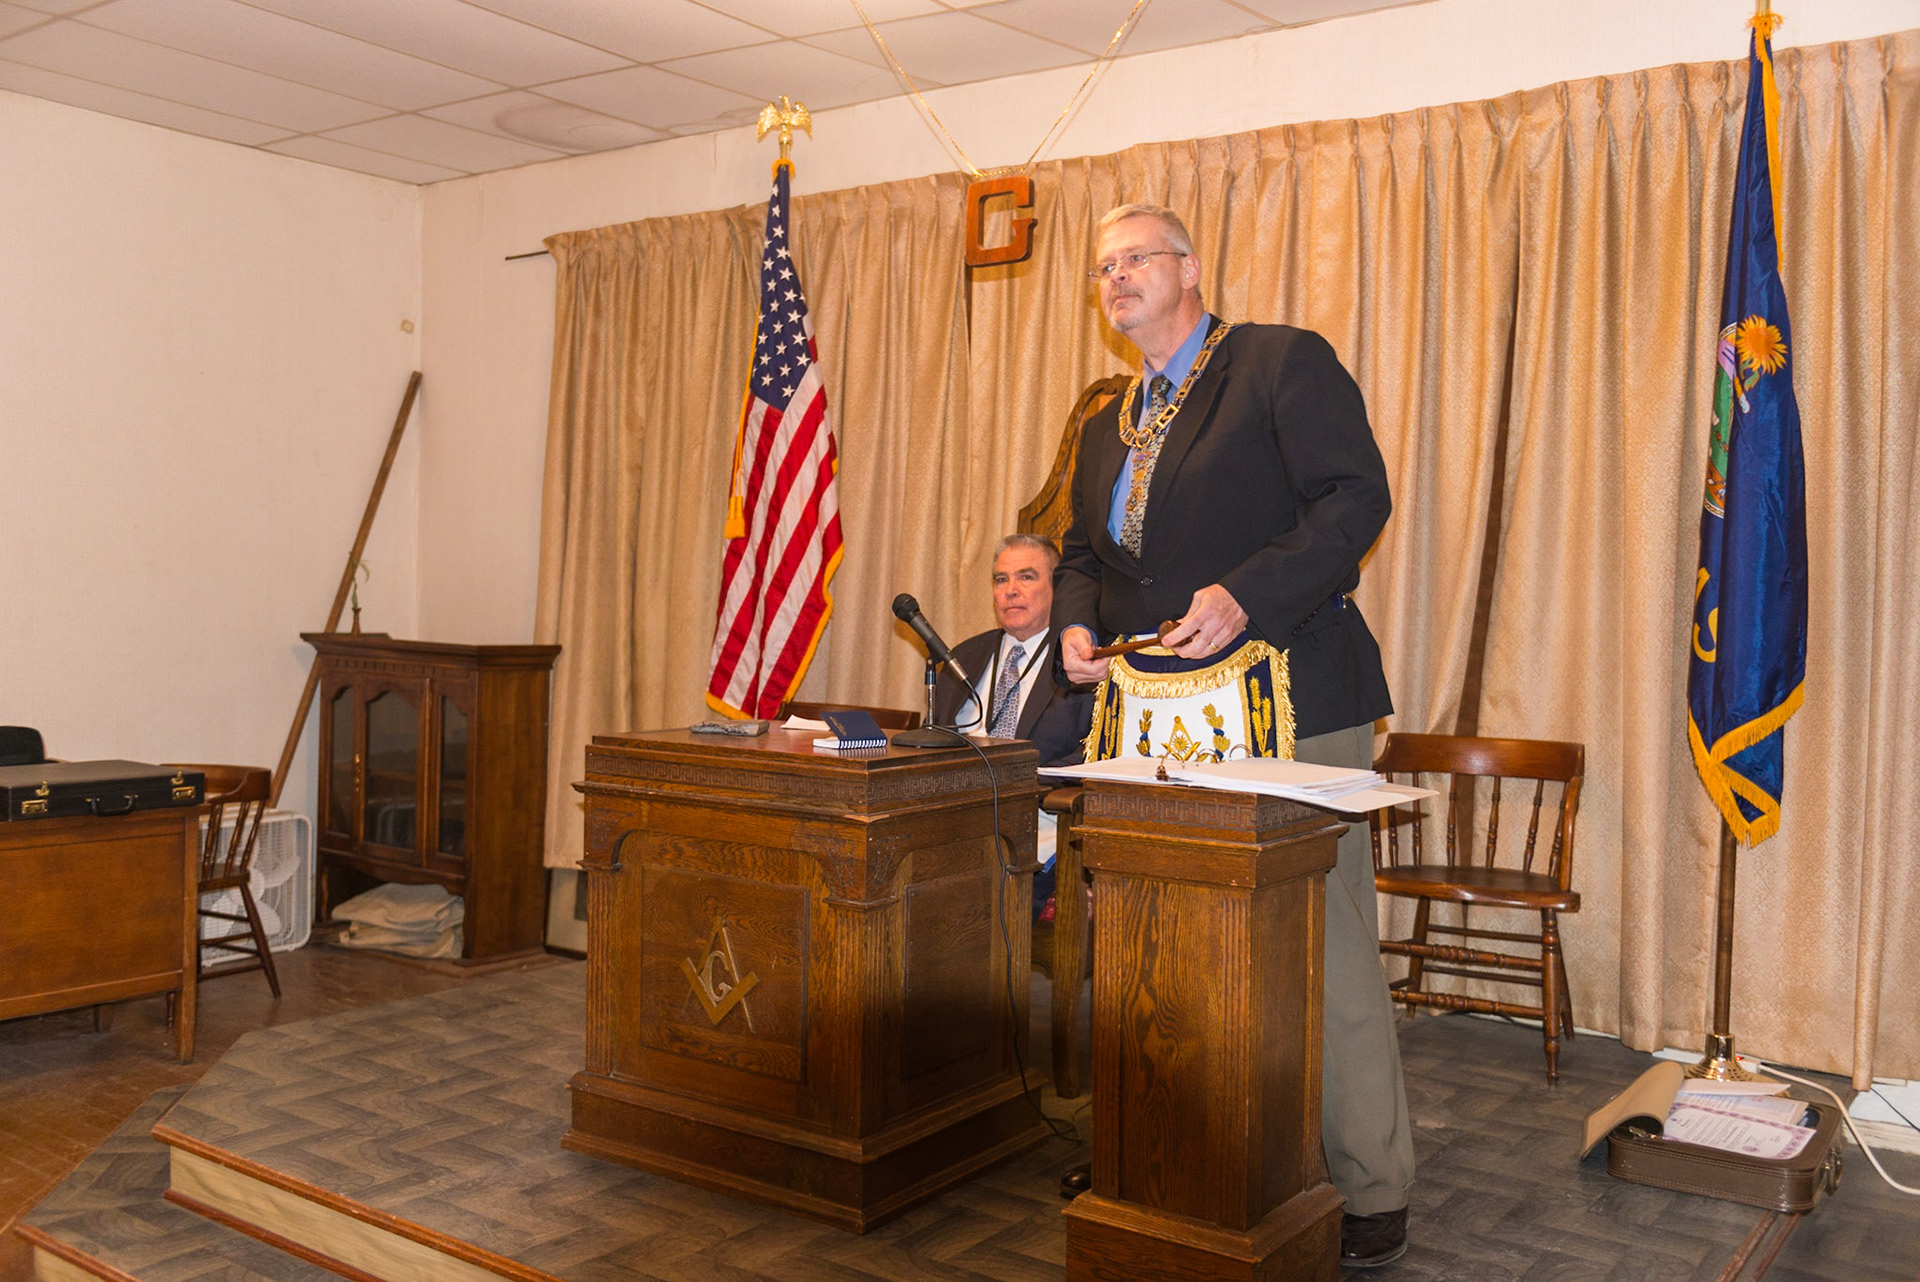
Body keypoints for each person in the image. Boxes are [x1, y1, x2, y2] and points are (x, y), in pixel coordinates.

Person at [1051, 203, 1415, 1269]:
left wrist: (1245, 594)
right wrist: (1076, 614)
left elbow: (1356, 499)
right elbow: (1082, 547)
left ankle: (1368, 1181)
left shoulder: (1275, 364)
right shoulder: (1107, 418)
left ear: (1190, 268)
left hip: (1293, 687)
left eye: (1134, 259)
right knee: (1159, 935)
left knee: (1328, 941)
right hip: (1153, 711)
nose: (1115, 278)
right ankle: (1167, 1148)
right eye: (1102, 266)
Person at [935, 533, 1091, 767]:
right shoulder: (962, 657)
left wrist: (1020, 783)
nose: (1010, 590)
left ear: (1057, 587)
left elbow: (1090, 753)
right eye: (1001, 579)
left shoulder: (1080, 660)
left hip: (1036, 797)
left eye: (1026, 577)